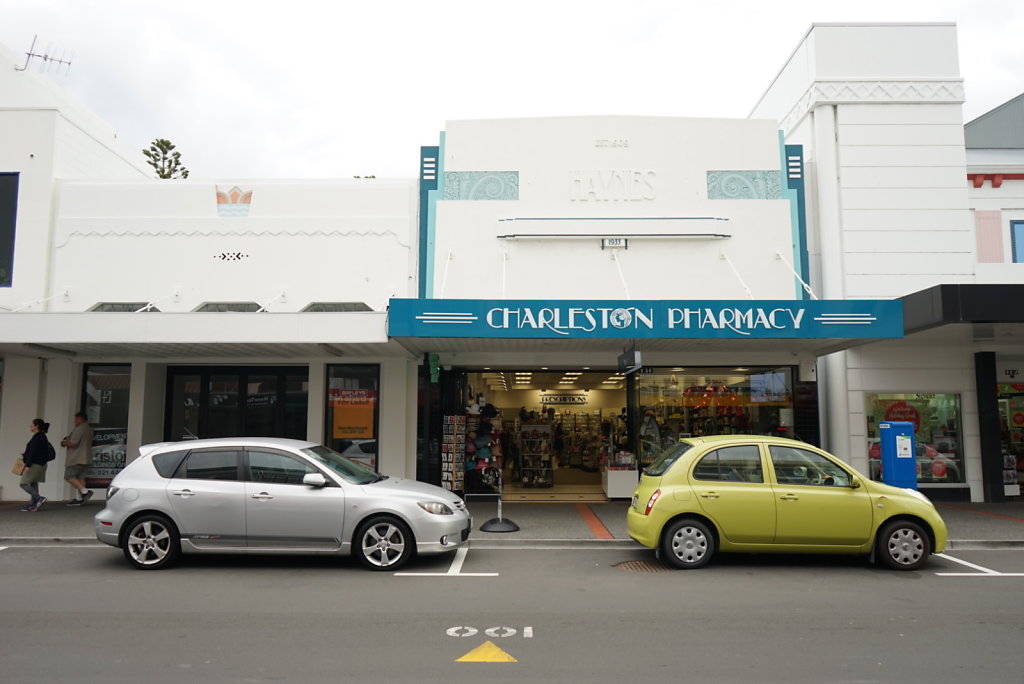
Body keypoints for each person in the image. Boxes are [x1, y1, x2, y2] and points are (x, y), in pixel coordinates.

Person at [62, 411, 95, 506]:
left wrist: (63, 443)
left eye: (76, 419)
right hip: (86, 457)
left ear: (80, 419)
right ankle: (79, 498)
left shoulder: (80, 428)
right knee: (80, 477)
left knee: (69, 476)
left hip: (76, 458)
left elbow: (73, 443)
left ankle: (85, 491)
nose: (75, 421)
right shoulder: (89, 429)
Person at [20, 418, 53, 512]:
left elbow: (33, 452)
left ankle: (38, 498)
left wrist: (28, 464)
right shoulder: (42, 436)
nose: (30, 426)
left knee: (23, 483)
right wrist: (26, 454)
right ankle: (34, 504)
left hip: (35, 464)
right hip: (41, 464)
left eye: (32, 425)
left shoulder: (37, 437)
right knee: (33, 483)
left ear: (36, 426)